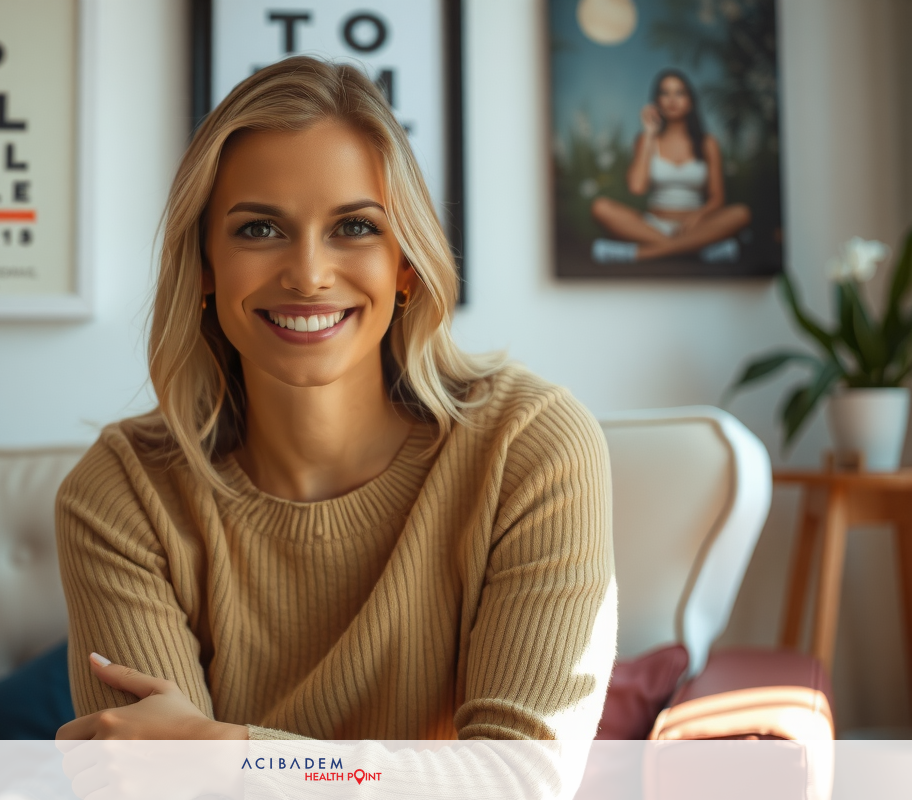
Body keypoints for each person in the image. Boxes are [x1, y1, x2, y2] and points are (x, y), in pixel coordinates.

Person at [53, 57, 615, 752]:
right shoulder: (121, 492)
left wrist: (233, 754)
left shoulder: (529, 445)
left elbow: (519, 779)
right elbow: (155, 784)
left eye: (354, 227)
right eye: (260, 229)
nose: (309, 275)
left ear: (406, 264)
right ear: (202, 265)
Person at [590, 68, 750, 263]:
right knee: (600, 207)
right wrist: (649, 133)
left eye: (679, 93)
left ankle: (635, 254)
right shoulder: (646, 139)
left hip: (696, 226)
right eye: (665, 93)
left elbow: (717, 198)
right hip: (653, 226)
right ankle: (698, 250)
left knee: (741, 213)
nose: (672, 100)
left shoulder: (708, 143)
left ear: (690, 101)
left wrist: (697, 217)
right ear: (657, 101)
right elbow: (636, 187)